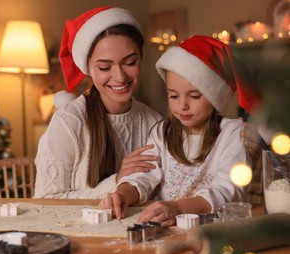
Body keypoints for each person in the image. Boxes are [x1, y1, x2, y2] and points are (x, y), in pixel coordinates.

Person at [99, 35, 261, 227]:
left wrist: (178, 208)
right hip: (165, 226)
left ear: (215, 96)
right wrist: (123, 193)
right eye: (173, 96)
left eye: (194, 96)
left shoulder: (231, 133)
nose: (183, 105)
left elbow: (229, 190)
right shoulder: (161, 131)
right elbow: (143, 174)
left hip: (212, 229)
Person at [33, 6, 162, 199]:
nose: (119, 77)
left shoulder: (154, 122)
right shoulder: (68, 122)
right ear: (89, 70)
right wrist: (116, 181)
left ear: (141, 60)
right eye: (104, 67)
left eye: (130, 63)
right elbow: (45, 201)